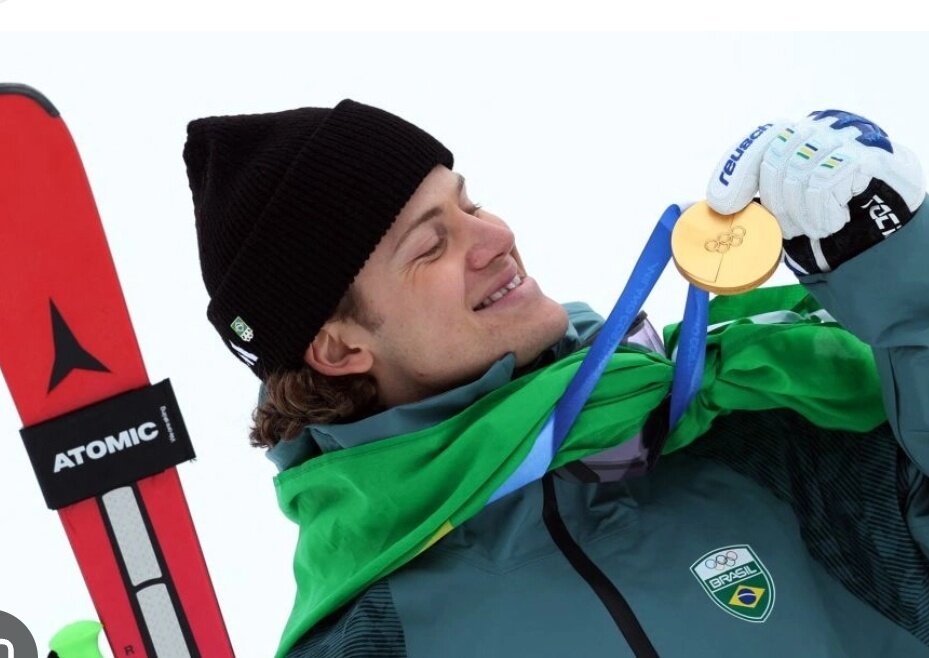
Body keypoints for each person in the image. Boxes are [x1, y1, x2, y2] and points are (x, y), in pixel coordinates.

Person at [182, 101, 929, 658]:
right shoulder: (373, 639)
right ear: (339, 348)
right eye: (432, 244)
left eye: (469, 203)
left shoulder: (753, 426)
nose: (496, 237)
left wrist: (896, 274)